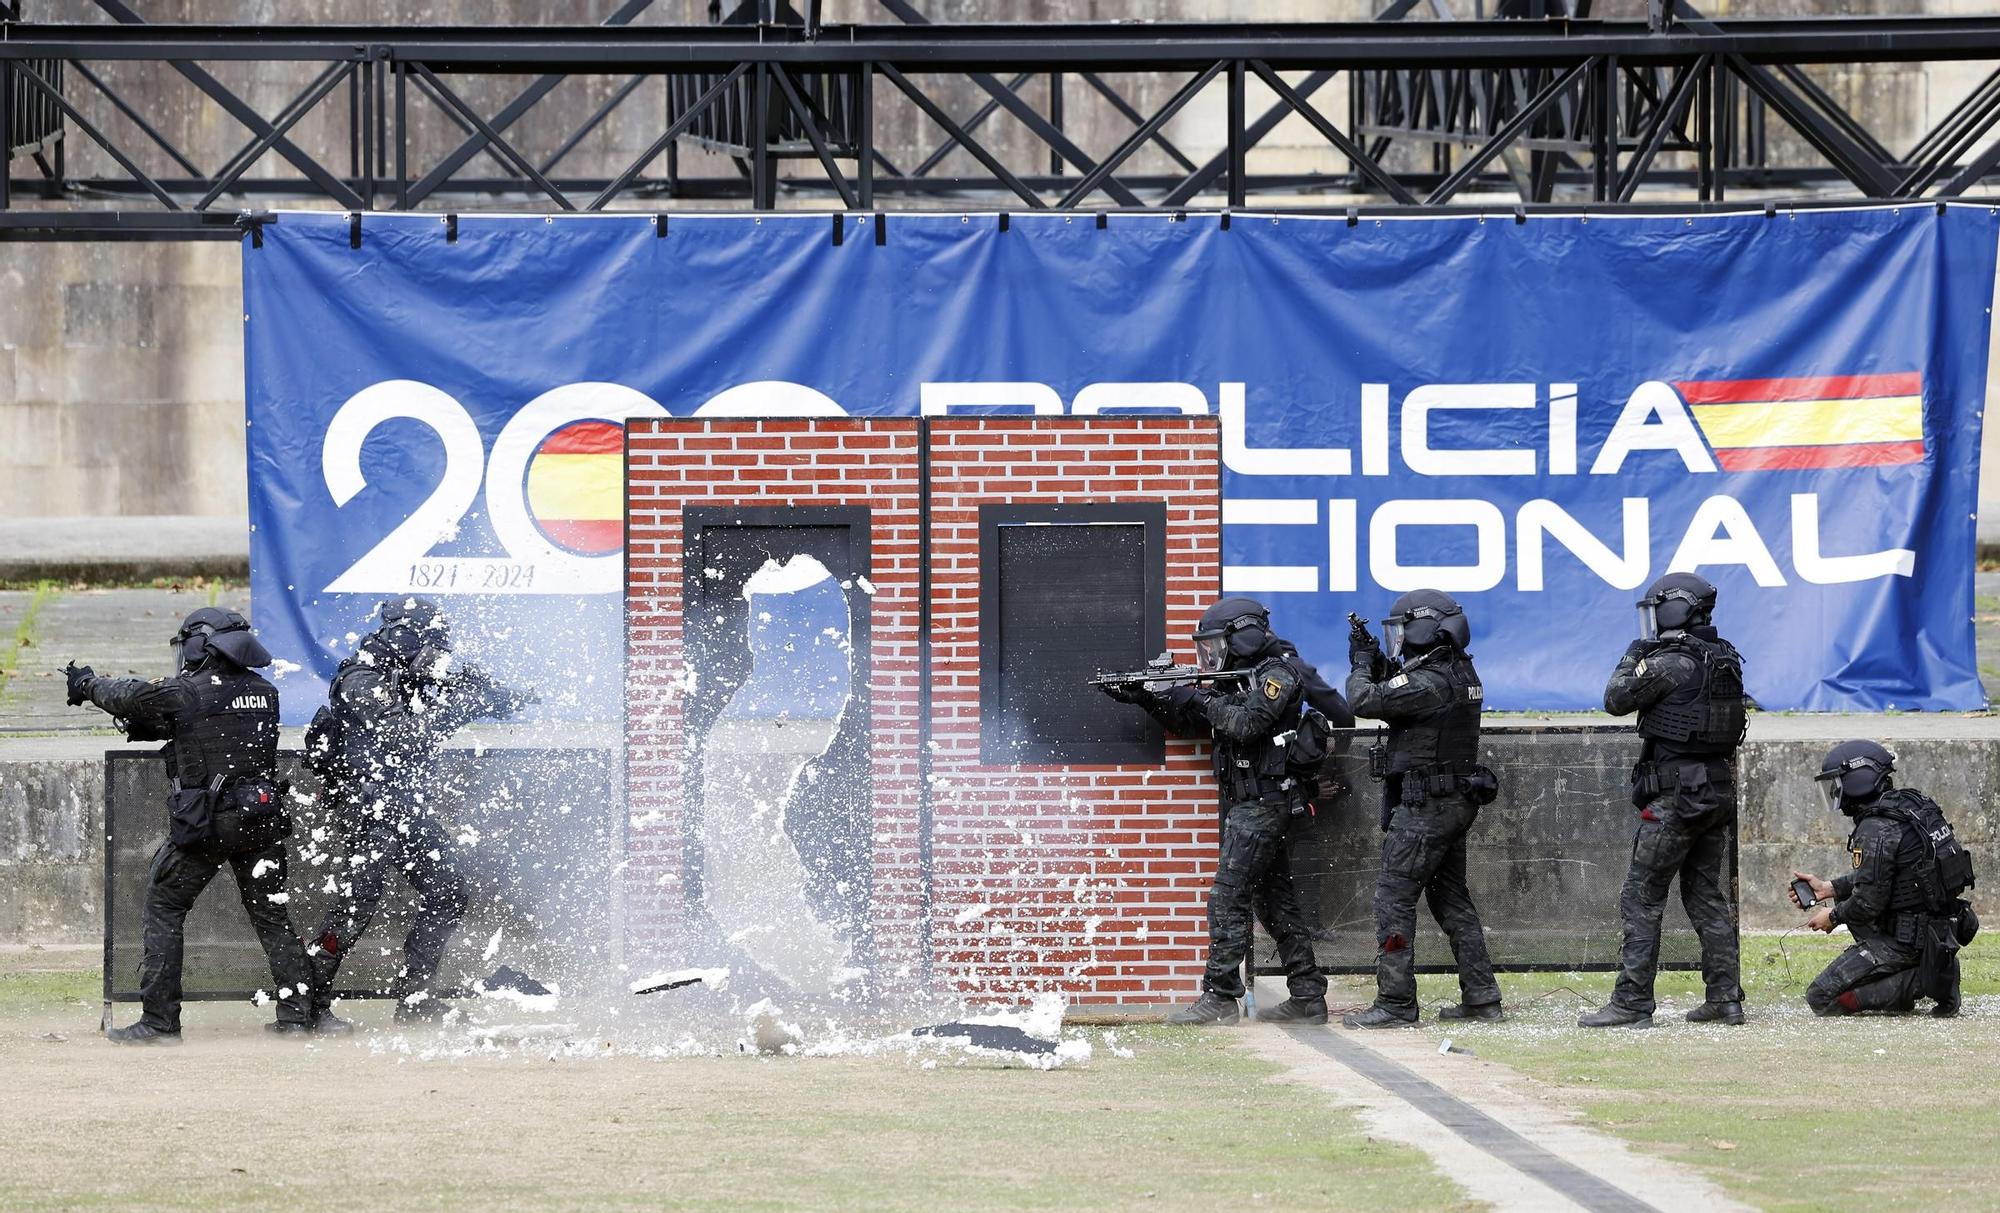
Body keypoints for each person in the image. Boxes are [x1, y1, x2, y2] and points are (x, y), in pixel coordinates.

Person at [1097, 597, 1351, 1025]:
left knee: (1227, 898)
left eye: (1216, 644)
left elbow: (1247, 723)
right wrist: (1147, 697)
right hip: (1255, 804)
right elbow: (1196, 722)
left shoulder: (1277, 673)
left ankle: (1220, 997)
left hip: (1266, 803)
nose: (1210, 654)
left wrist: (1190, 695)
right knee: (1275, 904)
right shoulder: (1238, 679)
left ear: (1245, 637)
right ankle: (1308, 994)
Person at [66, 608, 314, 1043]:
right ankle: (297, 1016)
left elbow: (134, 695)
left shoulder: (190, 691)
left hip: (210, 823)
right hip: (261, 820)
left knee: (163, 909)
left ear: (201, 644)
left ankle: (159, 1024)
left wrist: (87, 684)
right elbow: (200, 726)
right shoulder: (265, 691)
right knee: (272, 917)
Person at [304, 597, 534, 1029]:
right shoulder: (361, 678)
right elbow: (405, 735)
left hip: (402, 806)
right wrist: (465, 706)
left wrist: (495, 696)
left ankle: (417, 1001)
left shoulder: (407, 677)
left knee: (448, 891)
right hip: (366, 807)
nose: (435, 651)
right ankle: (308, 1005)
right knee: (355, 907)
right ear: (403, 636)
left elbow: (461, 688)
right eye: (429, 641)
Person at [1580, 572, 1747, 1030]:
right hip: (1715, 790)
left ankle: (1632, 1003)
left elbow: (1615, 698)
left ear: (1675, 609)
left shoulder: (1671, 662)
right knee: (1707, 899)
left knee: (1641, 898)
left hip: (1676, 797)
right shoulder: (1725, 658)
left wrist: (1634, 653)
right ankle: (1725, 999)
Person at [1342, 590, 1502, 1029]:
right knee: (1451, 900)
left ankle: (1396, 1003)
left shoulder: (1431, 681)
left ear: (1425, 628)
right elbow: (1395, 690)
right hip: (1447, 802)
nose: (1398, 640)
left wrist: (1360, 664)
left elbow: (1364, 701)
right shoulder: (1456, 670)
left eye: (1401, 630)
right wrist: (1376, 658)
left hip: (1427, 806)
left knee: (1393, 899)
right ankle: (1482, 998)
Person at [1792, 741, 1977, 1018]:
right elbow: (1893, 876)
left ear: (1856, 778)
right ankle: (1930, 966)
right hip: (1938, 929)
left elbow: (1867, 904)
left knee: (1821, 997)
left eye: (1837, 783)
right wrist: (1829, 888)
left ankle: (1926, 978)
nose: (1836, 793)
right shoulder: (1912, 806)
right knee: (1850, 899)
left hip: (1907, 940)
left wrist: (1833, 916)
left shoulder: (1876, 826)